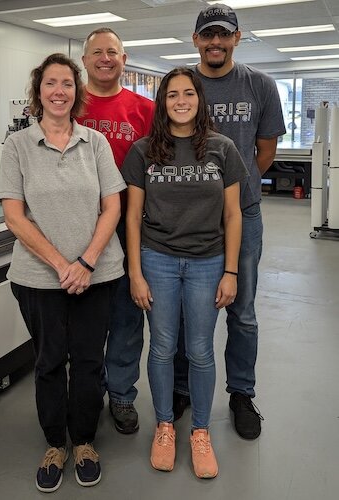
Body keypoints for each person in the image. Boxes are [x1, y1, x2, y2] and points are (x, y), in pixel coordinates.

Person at [0, 53, 126, 492]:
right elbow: (14, 216)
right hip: (38, 278)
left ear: (78, 92)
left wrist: (86, 261)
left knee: (89, 362)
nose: (59, 91)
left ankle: (85, 441)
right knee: (50, 361)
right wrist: (60, 265)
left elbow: (113, 205)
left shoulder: (96, 143)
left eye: (67, 84)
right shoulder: (17, 146)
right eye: (50, 83)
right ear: (39, 92)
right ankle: (56, 443)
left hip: (98, 273)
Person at [122, 67, 248, 477]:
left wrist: (230, 271)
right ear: (162, 102)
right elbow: (133, 217)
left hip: (208, 261)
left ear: (199, 99)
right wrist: (136, 273)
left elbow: (233, 214)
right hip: (157, 259)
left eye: (188, 93)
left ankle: (199, 431)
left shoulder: (222, 148)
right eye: (172, 94)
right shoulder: (143, 151)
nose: (180, 100)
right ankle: (164, 425)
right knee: (161, 346)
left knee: (199, 350)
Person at [173, 4, 286, 439]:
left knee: (242, 311)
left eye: (224, 34)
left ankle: (241, 394)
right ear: (196, 39)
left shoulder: (260, 84)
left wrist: (238, 193)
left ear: (238, 38)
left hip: (246, 215)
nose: (215, 42)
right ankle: (181, 389)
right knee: (185, 311)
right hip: (189, 218)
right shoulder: (183, 85)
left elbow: (265, 150)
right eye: (207, 35)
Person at [77, 27, 155, 434]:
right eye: (97, 53)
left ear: (124, 60)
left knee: (127, 314)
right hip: (78, 229)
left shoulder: (145, 109)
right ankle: (88, 389)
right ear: (85, 61)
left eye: (113, 52)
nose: (105, 58)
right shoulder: (67, 106)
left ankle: (122, 395)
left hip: (129, 227)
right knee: (84, 314)